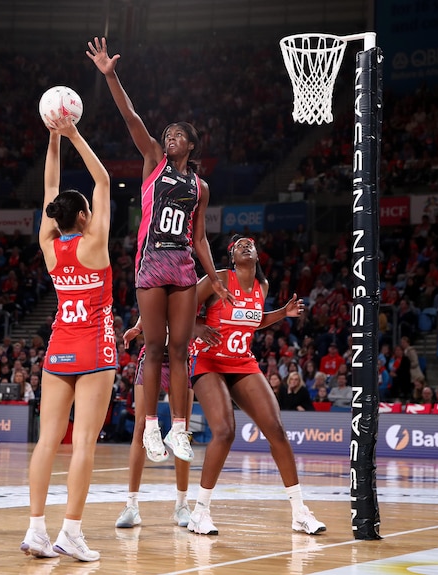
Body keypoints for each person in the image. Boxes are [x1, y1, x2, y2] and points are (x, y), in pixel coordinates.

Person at [87, 37, 231, 464]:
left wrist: (216, 278)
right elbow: (130, 116)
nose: (169, 137)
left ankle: (181, 432)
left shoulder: (200, 187)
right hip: (151, 265)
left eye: (177, 135)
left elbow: (200, 237)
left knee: (180, 349)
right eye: (167, 133)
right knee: (152, 347)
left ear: (191, 144)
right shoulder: (152, 160)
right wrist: (111, 75)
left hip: (184, 268)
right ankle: (151, 427)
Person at [20, 114, 115, 562]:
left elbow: (48, 190)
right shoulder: (94, 243)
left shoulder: (49, 245)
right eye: (90, 210)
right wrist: (74, 132)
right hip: (94, 347)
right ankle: (70, 532)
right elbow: (104, 178)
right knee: (83, 445)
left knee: (46, 441)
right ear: (83, 216)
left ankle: (36, 530)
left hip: (58, 347)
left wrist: (52, 140)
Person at [187, 234, 326, 536]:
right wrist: (198, 326)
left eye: (249, 244)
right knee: (224, 431)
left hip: (241, 361)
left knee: (275, 428)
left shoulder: (262, 287)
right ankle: (200, 512)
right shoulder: (219, 278)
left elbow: (255, 319)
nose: (245, 246)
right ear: (231, 257)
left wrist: (283, 314)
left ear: (257, 255)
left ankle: (299, 512)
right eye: (238, 245)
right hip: (209, 360)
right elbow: (182, 308)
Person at [113, 327, 193, 529]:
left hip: (182, 355)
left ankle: (182, 505)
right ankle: (131, 505)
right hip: (152, 354)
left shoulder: (191, 293)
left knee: (182, 431)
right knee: (141, 427)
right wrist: (139, 326)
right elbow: (151, 305)